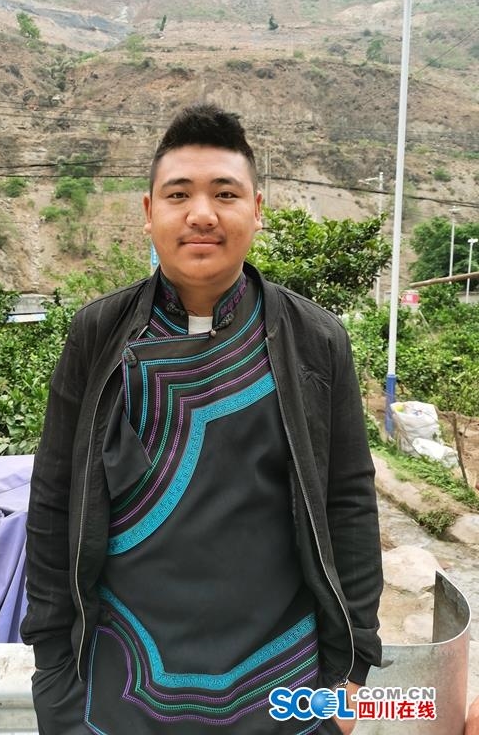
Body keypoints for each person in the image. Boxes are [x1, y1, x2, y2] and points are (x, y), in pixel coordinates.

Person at [21, 103, 383, 734]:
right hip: (123, 686)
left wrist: (349, 680)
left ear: (257, 209)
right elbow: (55, 499)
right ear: (148, 212)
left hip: (284, 684)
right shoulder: (98, 335)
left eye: (225, 193)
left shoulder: (316, 340)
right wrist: (55, 677)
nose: (202, 214)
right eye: (179, 194)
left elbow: (349, 500)